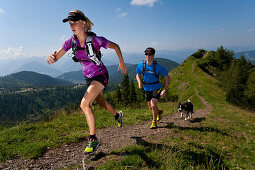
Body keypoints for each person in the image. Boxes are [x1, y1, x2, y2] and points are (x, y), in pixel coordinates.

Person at [46, 10, 127, 154]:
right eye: (70, 23)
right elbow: (57, 57)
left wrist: (122, 63)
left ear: (83, 23)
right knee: (102, 103)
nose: (72, 26)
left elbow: (116, 46)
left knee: (84, 104)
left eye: (74, 22)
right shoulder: (71, 41)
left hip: (101, 75)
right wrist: (51, 58)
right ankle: (117, 116)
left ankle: (93, 139)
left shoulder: (96, 40)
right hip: (88, 78)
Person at [136, 47, 170, 129]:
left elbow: (167, 78)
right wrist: (139, 82)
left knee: (153, 104)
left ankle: (154, 122)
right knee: (150, 106)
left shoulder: (158, 67)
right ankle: (158, 112)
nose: (147, 56)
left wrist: (164, 90)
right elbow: (137, 74)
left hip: (156, 87)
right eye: (146, 54)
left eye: (150, 54)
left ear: (153, 55)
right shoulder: (141, 65)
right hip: (146, 88)